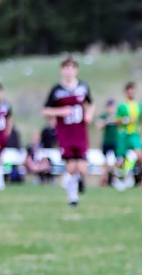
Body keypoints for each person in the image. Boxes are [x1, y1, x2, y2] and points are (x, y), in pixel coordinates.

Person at [42, 55, 94, 207]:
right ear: (61, 70)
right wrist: (60, 112)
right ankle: (73, 198)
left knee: (82, 167)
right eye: (66, 68)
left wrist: (89, 114)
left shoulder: (83, 87)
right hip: (65, 133)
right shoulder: (57, 90)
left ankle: (81, 181)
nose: (69, 71)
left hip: (80, 131)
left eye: (71, 68)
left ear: (76, 70)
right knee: (71, 167)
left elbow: (91, 104)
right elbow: (45, 110)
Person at [115, 81, 142, 189]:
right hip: (123, 134)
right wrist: (125, 120)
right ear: (126, 93)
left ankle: (138, 179)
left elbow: (138, 119)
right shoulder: (122, 106)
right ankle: (118, 178)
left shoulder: (138, 105)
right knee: (120, 159)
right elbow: (116, 121)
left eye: (133, 92)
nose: (131, 94)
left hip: (134, 134)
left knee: (140, 156)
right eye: (129, 92)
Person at [96, 98, 120, 188]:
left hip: (115, 141)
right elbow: (99, 125)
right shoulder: (104, 116)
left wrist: (115, 120)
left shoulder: (117, 116)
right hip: (106, 141)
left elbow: (123, 123)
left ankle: (115, 179)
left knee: (117, 161)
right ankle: (105, 180)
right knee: (105, 162)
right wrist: (107, 121)